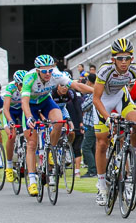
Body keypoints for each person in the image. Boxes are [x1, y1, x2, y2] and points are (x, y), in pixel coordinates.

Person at [92, 39, 136, 206]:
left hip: (121, 97)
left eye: (127, 58)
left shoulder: (135, 70)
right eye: (120, 58)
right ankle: (101, 185)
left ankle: (131, 153)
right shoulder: (104, 70)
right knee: (102, 142)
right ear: (113, 59)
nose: (123, 62)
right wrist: (107, 117)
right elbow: (96, 98)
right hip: (103, 101)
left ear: (131, 59)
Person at [21, 55, 93, 196]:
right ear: (37, 71)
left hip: (45, 101)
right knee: (32, 144)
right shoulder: (29, 78)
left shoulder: (56, 74)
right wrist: (29, 116)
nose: (48, 74)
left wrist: (96, 91)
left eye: (50, 70)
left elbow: (76, 85)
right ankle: (32, 180)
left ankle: (51, 151)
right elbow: (24, 101)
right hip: (31, 106)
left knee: (59, 122)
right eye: (44, 71)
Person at [2, 70, 27, 182]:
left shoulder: (29, 86)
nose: (23, 87)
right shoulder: (10, 88)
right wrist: (10, 121)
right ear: (16, 83)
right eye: (21, 85)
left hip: (21, 109)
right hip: (10, 111)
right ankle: (9, 166)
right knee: (11, 136)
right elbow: (5, 109)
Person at [80, 73, 97, 178]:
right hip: (93, 124)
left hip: (91, 124)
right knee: (93, 147)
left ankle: (92, 170)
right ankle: (95, 169)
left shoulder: (94, 93)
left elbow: (84, 106)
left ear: (90, 82)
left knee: (86, 147)